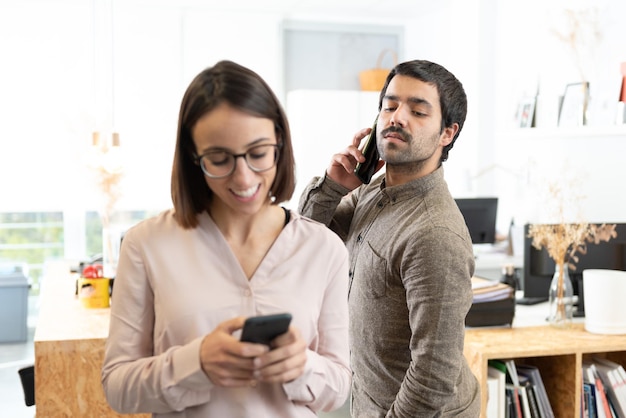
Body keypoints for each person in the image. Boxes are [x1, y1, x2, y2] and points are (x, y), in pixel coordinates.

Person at [101, 60, 351, 417]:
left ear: (279, 143)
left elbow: (338, 388)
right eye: (219, 159)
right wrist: (195, 363)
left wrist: (303, 366)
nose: (244, 178)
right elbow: (118, 387)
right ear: (193, 157)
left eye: (258, 153)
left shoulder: (323, 249)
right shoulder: (146, 245)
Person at [298, 59, 480, 417]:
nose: (397, 117)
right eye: (390, 105)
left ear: (447, 133)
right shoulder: (371, 191)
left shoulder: (434, 233)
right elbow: (304, 240)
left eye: (418, 110)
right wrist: (334, 184)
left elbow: (434, 374)